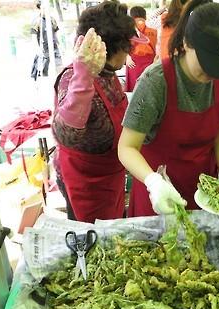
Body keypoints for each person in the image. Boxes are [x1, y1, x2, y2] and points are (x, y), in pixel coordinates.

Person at [119, 0, 219, 216]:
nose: (212, 74)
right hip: (159, 198)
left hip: (205, 195)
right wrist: (153, 182)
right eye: (207, 64)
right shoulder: (156, 81)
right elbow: (127, 147)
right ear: (186, 42)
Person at [52, 0, 136, 222]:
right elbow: (66, 134)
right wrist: (83, 77)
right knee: (92, 243)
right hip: (85, 181)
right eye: (126, 47)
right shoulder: (73, 78)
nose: (129, 53)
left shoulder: (108, 73)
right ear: (108, 48)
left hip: (110, 175)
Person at [125, 6, 157, 92]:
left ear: (131, 17)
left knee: (133, 90)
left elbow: (123, 44)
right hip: (150, 62)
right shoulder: (154, 30)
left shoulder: (128, 29)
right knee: (148, 89)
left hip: (133, 62)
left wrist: (127, 57)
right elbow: (157, 48)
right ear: (145, 16)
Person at [30, 0, 62, 77]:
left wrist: (60, 45)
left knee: (59, 67)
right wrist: (38, 50)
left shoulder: (52, 20)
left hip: (54, 47)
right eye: (44, 8)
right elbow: (34, 37)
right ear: (40, 8)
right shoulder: (37, 21)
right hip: (44, 49)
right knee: (44, 70)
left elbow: (57, 33)